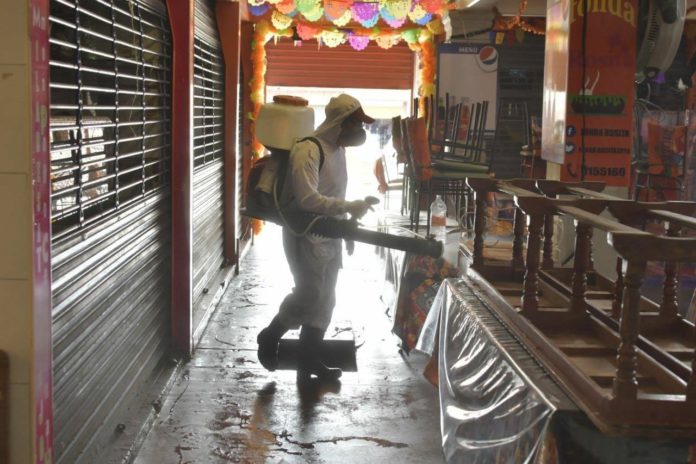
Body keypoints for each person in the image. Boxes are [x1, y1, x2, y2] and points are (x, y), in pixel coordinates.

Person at [256, 94, 375, 384]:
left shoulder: (338, 150)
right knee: (309, 294)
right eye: (357, 124)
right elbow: (308, 199)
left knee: (325, 301)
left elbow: (336, 196)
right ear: (340, 123)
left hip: (331, 236)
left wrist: (346, 226)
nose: (361, 131)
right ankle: (270, 335)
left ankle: (309, 360)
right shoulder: (308, 150)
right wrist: (348, 207)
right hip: (304, 235)